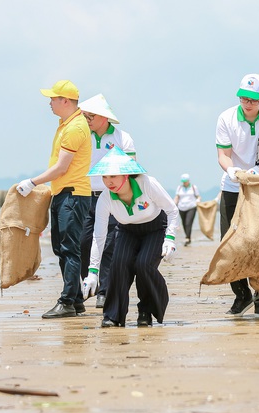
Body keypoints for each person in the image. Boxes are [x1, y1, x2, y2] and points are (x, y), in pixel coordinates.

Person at [16, 80, 92, 318]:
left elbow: (61, 168)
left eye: (52, 99)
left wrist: (33, 182)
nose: (49, 103)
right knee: (60, 248)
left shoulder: (75, 128)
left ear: (65, 101)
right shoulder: (65, 124)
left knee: (69, 249)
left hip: (74, 194)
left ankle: (67, 301)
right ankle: (76, 299)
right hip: (63, 193)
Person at [215, 73, 259, 316]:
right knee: (230, 240)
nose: (248, 103)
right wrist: (232, 170)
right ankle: (241, 295)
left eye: (253, 99)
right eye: (244, 98)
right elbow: (223, 155)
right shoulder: (226, 118)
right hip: (233, 186)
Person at [81, 147, 179, 327]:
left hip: (155, 229)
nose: (108, 182)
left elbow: (172, 210)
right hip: (127, 231)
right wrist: (92, 272)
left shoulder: (147, 184)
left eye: (113, 176)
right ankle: (113, 316)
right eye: (105, 177)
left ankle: (146, 312)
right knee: (118, 265)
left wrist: (170, 238)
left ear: (126, 175)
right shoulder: (105, 199)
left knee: (143, 265)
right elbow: (99, 236)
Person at [77, 94, 136, 309]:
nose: (86, 120)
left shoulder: (123, 138)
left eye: (89, 116)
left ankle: (105, 291)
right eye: (84, 116)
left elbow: (131, 169)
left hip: (112, 197)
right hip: (85, 196)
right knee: (84, 243)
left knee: (110, 245)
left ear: (103, 117)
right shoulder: (83, 137)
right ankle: (89, 283)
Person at [174, 173, 201, 246]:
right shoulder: (179, 188)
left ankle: (187, 238)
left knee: (188, 222)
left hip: (191, 207)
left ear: (188, 180)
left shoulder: (193, 187)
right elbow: (177, 197)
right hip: (181, 207)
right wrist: (173, 205)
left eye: (185, 181)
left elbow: (198, 196)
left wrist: (198, 201)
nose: (184, 182)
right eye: (183, 181)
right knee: (184, 223)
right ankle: (188, 237)